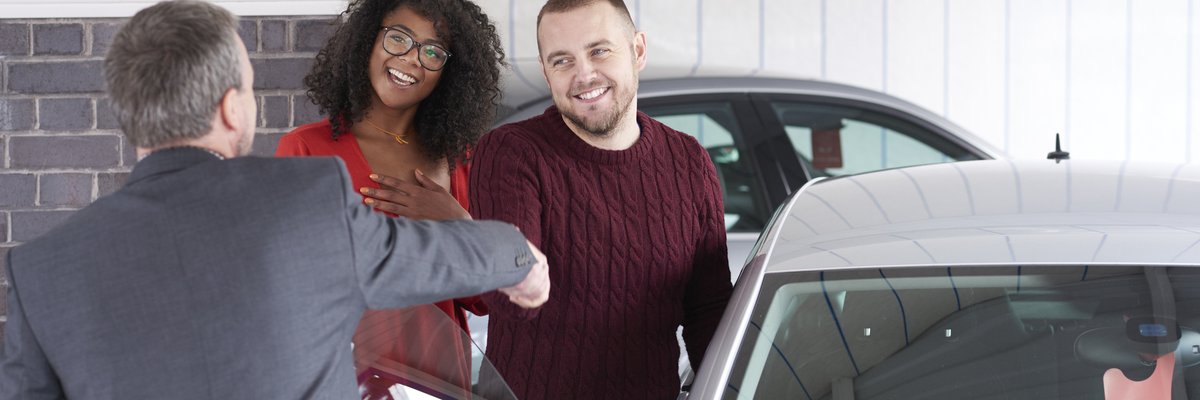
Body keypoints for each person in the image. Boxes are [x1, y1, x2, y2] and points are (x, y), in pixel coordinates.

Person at [0, 1, 548, 399]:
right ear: (232, 108)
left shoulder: (39, 272)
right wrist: (519, 257)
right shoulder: (308, 195)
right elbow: (437, 258)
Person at [469, 0, 733, 398]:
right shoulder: (511, 151)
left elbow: (708, 310)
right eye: (562, 61)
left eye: (599, 50)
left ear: (637, 51)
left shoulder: (689, 160)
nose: (584, 75)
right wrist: (514, 268)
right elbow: (506, 295)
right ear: (546, 72)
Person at [274, 0, 504, 390]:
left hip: (442, 385)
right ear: (368, 41)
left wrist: (458, 226)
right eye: (399, 38)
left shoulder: (459, 163)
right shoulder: (304, 149)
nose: (413, 59)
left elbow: (483, 300)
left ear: (449, 72)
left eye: (433, 51)